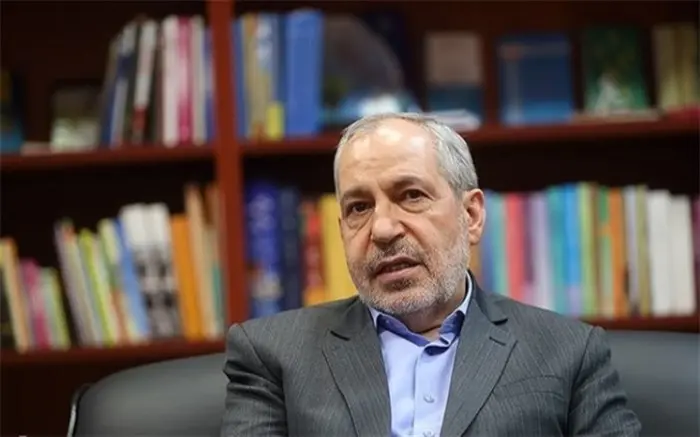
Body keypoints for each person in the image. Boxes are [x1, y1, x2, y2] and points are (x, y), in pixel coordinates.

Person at [220, 112, 642, 437]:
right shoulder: (273, 355)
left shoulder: (568, 352)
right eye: (359, 208)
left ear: (471, 215)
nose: (383, 229)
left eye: (411, 195)